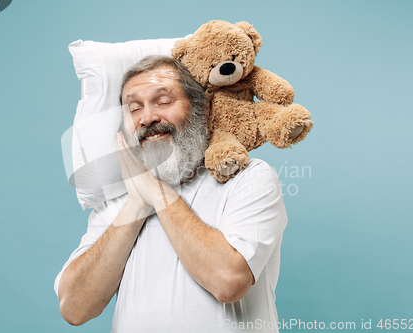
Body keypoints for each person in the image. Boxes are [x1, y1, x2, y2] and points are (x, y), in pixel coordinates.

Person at [54, 55, 288, 333]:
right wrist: (137, 204)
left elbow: (229, 281)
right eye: (133, 107)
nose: (147, 117)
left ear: (202, 110)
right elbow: (74, 308)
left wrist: (155, 191)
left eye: (163, 101)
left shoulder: (250, 178)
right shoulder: (117, 201)